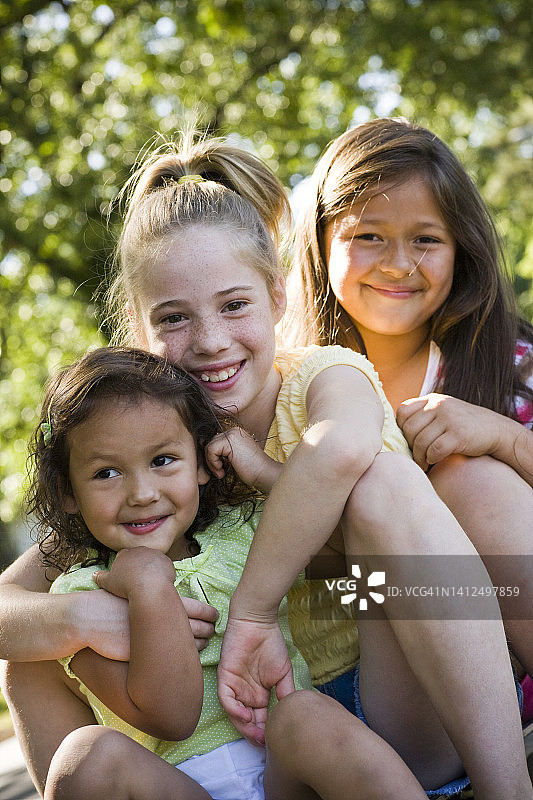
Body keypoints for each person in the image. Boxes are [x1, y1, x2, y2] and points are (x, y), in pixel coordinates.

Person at [0, 129, 529, 799]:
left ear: (279, 298)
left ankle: (509, 788)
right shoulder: (151, 446)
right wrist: (81, 620)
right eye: (174, 319)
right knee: (31, 661)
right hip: (263, 732)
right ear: (137, 326)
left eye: (234, 305)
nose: (211, 341)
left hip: (387, 687)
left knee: (381, 483)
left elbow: (339, 458)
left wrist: (250, 604)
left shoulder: (322, 378)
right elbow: (8, 600)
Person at [251, 117, 533, 799]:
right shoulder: (281, 386)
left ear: (460, 249)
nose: (397, 263)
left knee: (473, 480)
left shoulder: (509, 366)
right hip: (374, 656)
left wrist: (505, 438)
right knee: (389, 501)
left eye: (425, 240)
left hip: (506, 628)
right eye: (367, 236)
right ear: (319, 246)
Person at [24, 345, 311, 800]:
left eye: (162, 461)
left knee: (313, 717)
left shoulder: (246, 531)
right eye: (106, 472)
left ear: (200, 461)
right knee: (88, 755)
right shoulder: (80, 591)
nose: (141, 493)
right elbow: (173, 718)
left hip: (289, 771)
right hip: (178, 785)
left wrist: (265, 473)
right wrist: (149, 587)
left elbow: (348, 546)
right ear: (68, 493)